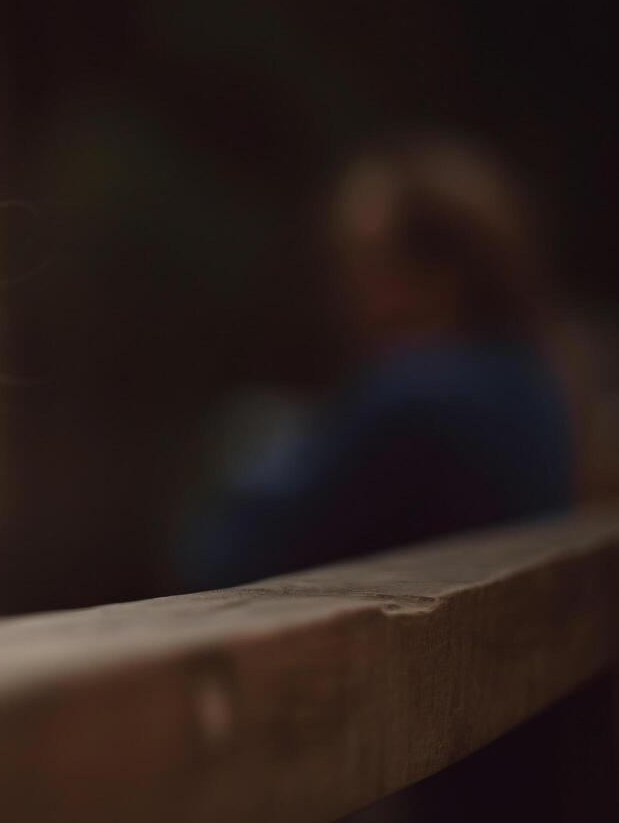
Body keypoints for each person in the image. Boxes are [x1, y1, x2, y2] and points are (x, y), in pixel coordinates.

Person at [171, 130, 577, 591]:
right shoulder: (531, 384)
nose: (344, 288)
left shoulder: (414, 399)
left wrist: (248, 459)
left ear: (440, 272)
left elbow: (222, 558)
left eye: (364, 259)